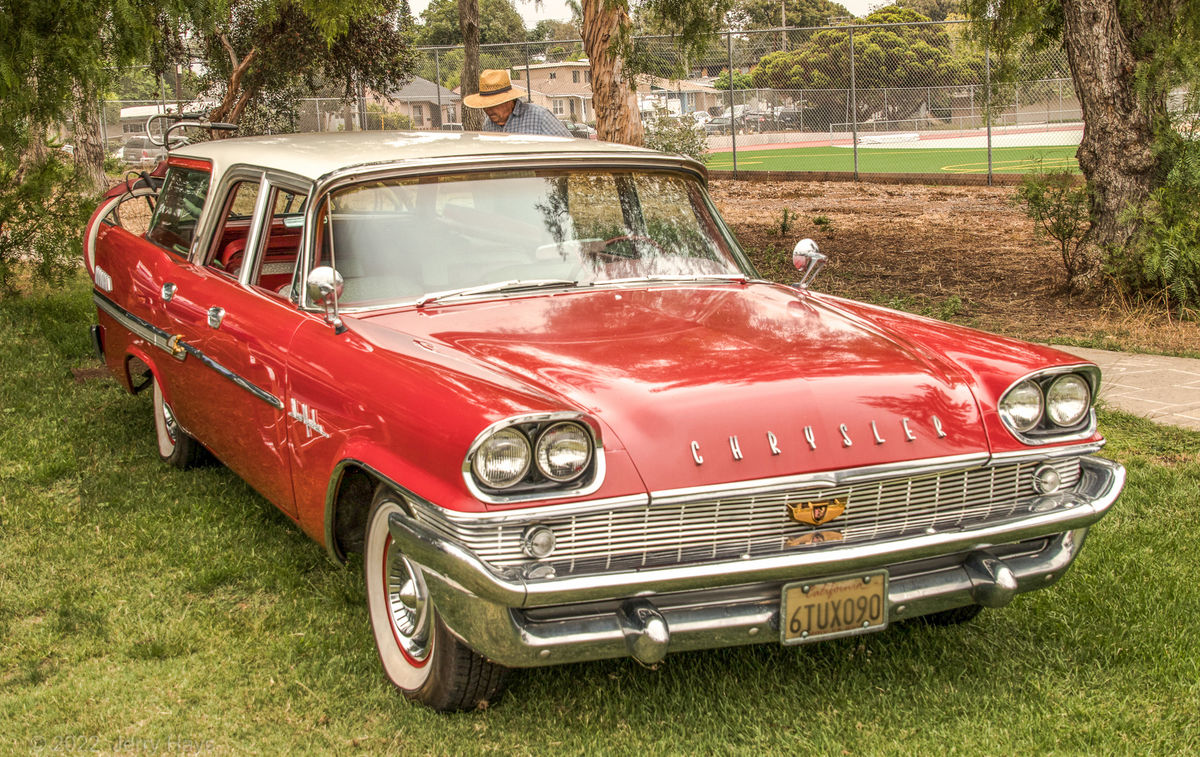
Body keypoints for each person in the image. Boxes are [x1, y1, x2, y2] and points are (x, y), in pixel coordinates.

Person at [462, 69, 572, 137]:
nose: (487, 110)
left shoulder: (539, 116)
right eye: (485, 106)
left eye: (493, 104)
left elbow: (571, 149)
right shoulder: (488, 125)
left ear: (508, 100)